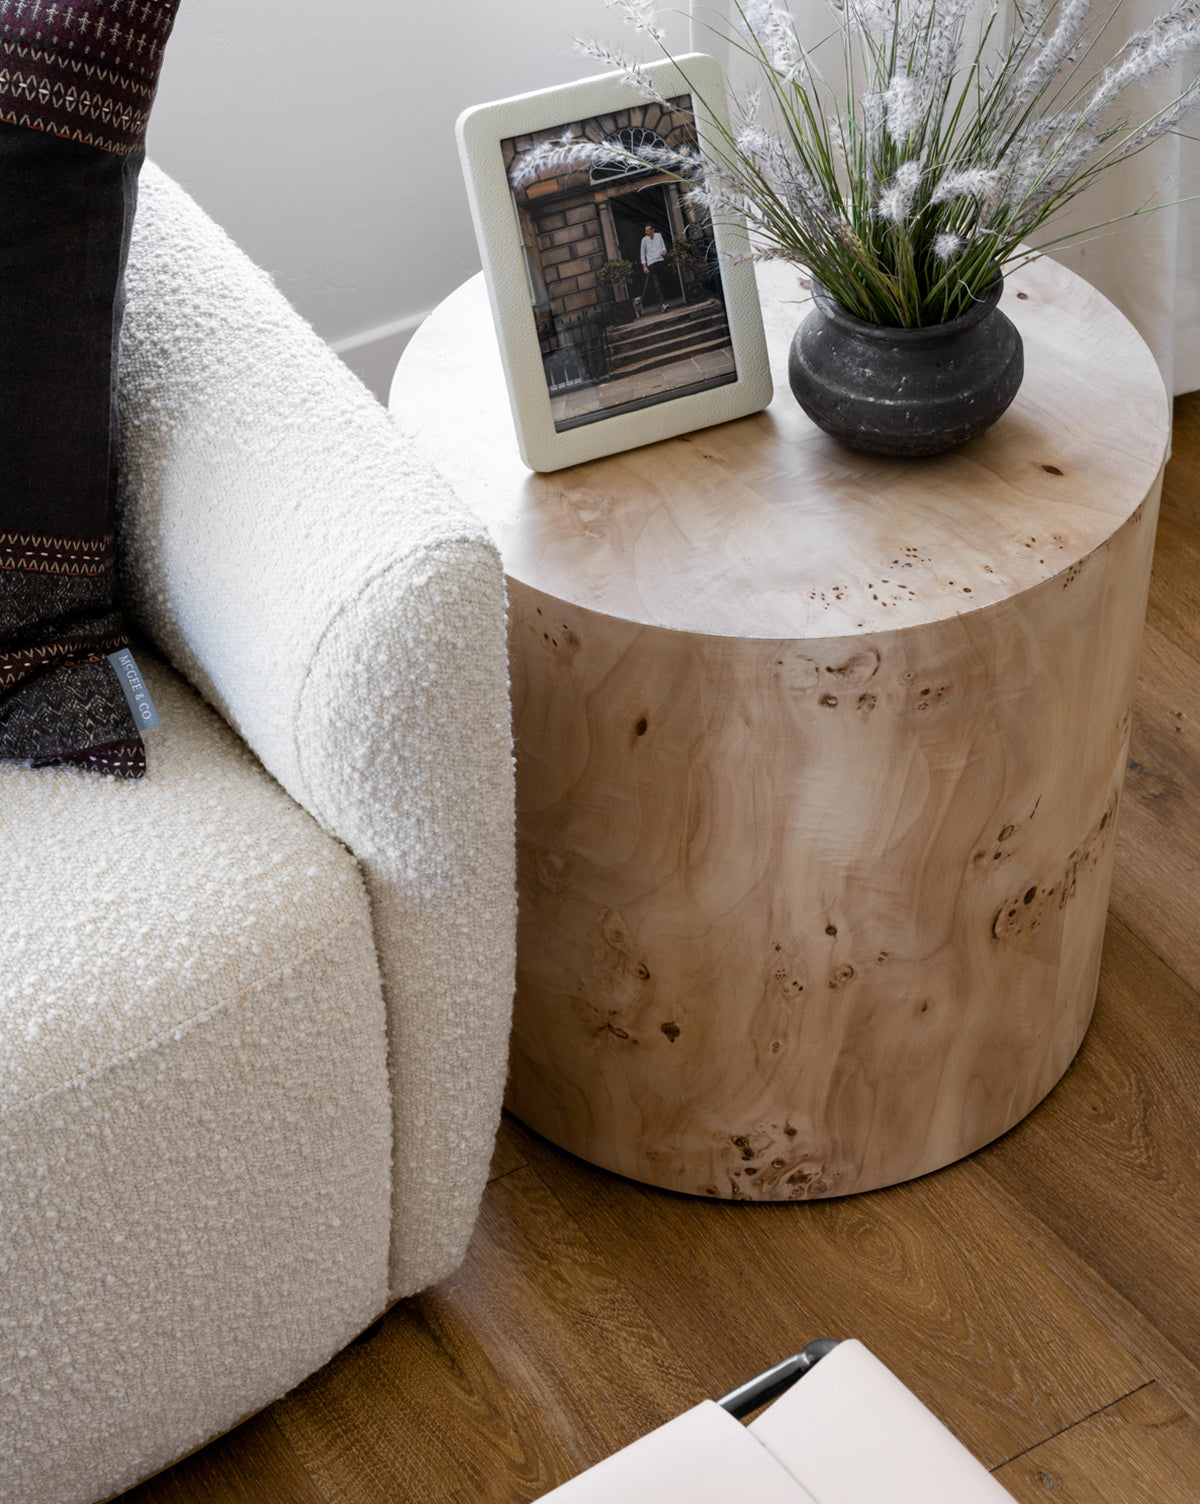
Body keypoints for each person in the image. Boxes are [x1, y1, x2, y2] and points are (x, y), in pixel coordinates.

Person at [639, 223, 668, 312]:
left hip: (660, 261)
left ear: (652, 230)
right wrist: (644, 266)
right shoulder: (644, 240)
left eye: (648, 230)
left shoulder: (659, 236)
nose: (646, 232)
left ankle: (663, 304)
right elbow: (642, 254)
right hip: (651, 263)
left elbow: (663, 247)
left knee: (662, 283)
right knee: (656, 285)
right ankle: (662, 304)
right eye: (645, 231)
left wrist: (664, 252)